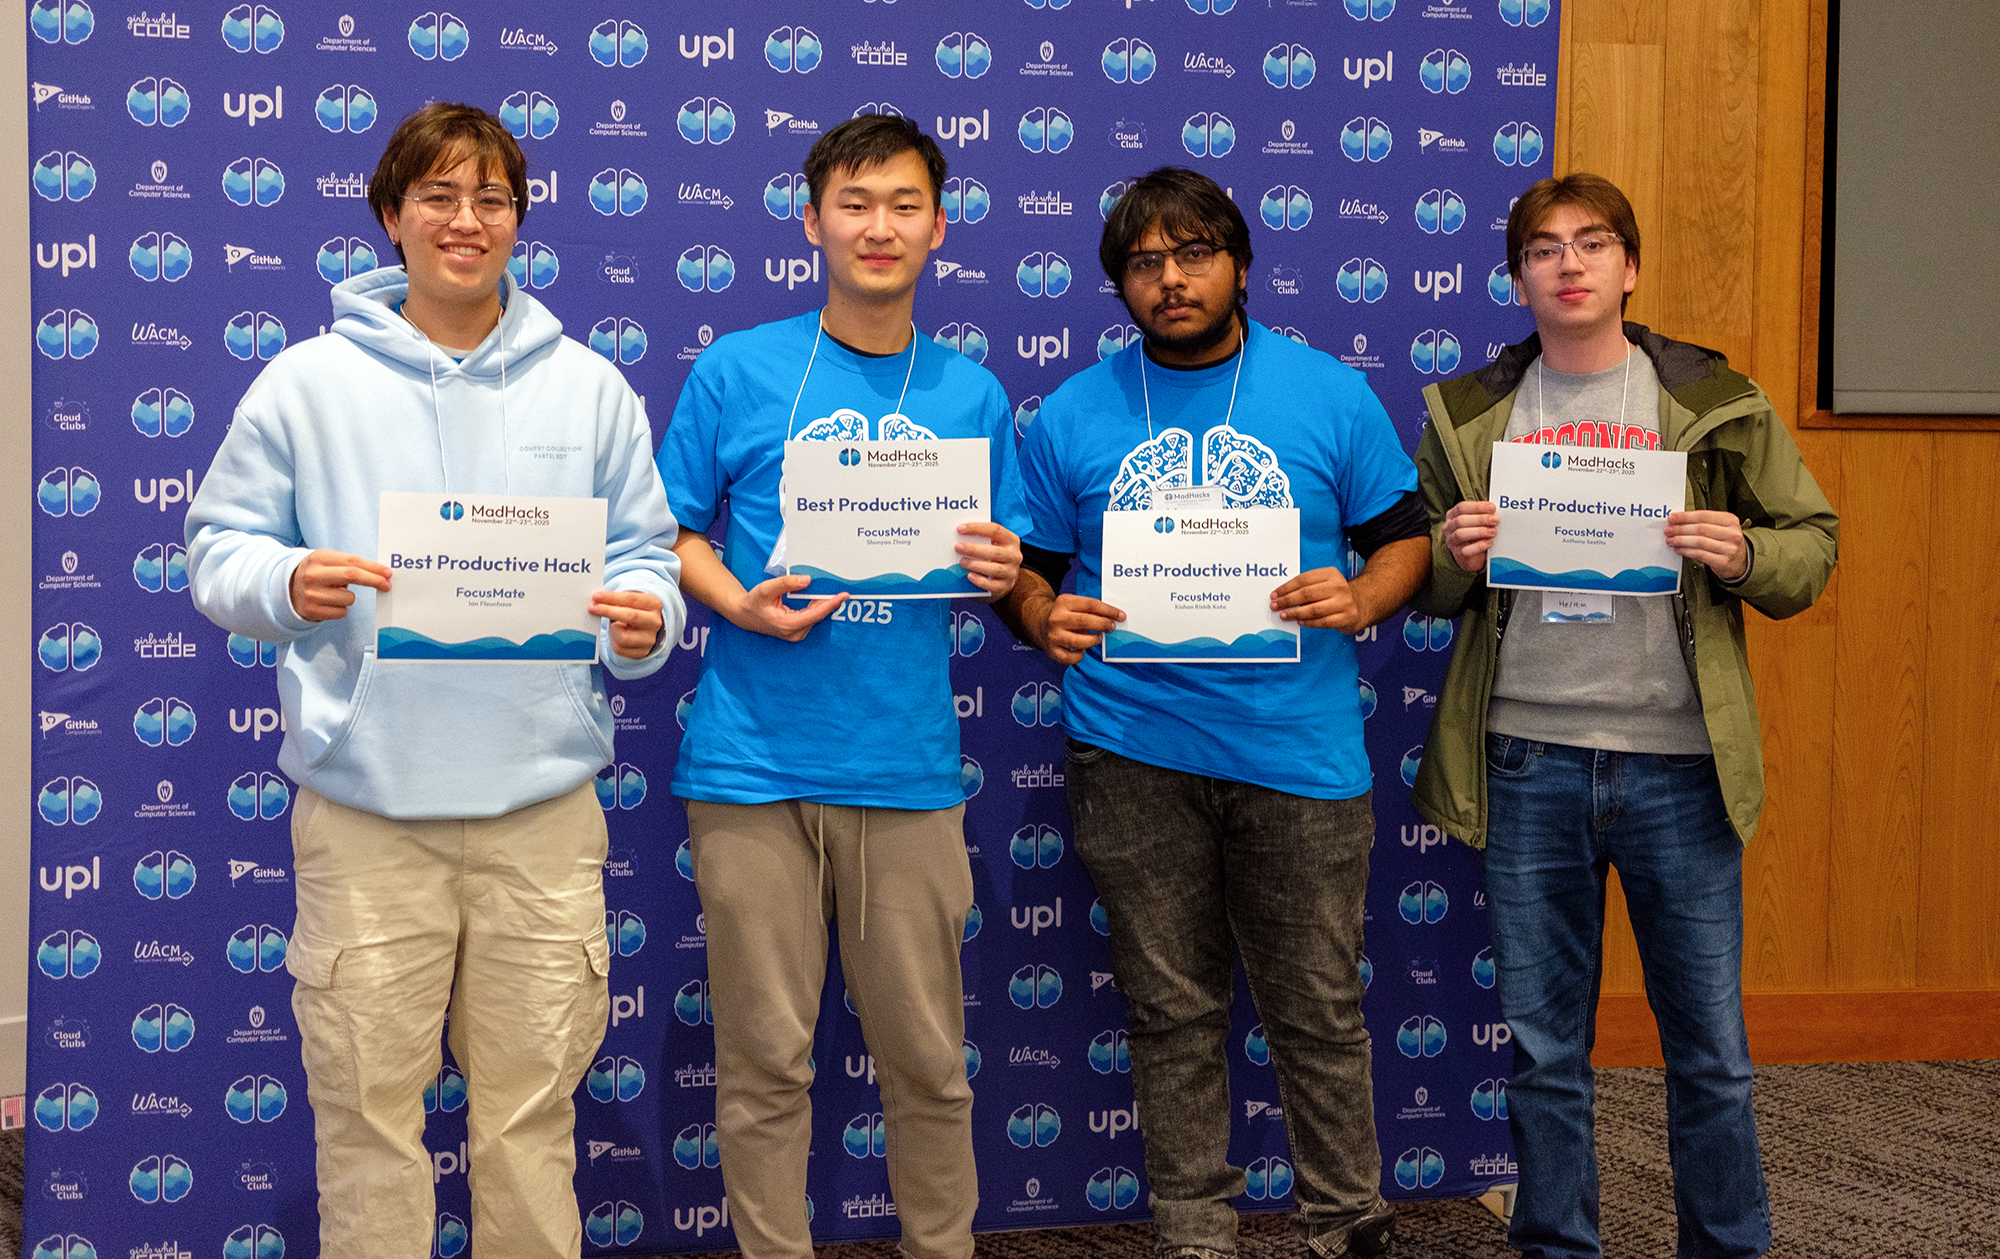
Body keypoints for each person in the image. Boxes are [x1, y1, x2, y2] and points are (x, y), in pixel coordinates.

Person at [184, 102, 684, 1259]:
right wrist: (287, 579)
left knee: (528, 1117)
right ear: (391, 216)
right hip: (369, 817)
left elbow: (643, 557)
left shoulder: (588, 387)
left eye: (491, 199)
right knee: (367, 1120)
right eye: (439, 197)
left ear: (518, 220)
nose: (467, 221)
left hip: (540, 816)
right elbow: (217, 551)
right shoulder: (304, 384)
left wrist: (642, 615)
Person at [995, 166, 1429, 1259]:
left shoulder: (1328, 393)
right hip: (1130, 750)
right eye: (1145, 263)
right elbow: (1024, 568)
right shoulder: (1074, 412)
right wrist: (1041, 613)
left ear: (1239, 263)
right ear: (1119, 285)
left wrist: (1362, 597)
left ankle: (1346, 1221)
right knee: (1170, 1008)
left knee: (1316, 1008)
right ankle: (1195, 1232)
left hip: (1297, 752)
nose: (1171, 279)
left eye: (1193, 254)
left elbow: (1404, 538)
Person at [1408, 173, 1837, 1259]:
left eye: (1592, 242)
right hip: (1525, 760)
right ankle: (1557, 1245)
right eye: (1543, 248)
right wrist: (1452, 554)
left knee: (1710, 1053)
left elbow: (1811, 546)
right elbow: (1430, 587)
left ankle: (1726, 1246)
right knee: (1544, 1053)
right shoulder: (1470, 415)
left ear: (1629, 267)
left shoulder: (1711, 400)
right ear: (1517, 279)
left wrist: (1745, 552)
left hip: (1676, 766)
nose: (1569, 263)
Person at [653, 114, 1027, 1259]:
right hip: (751, 765)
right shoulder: (736, 368)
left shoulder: (972, 394)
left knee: (929, 1064)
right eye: (854, 204)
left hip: (904, 768)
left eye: (904, 204)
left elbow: (1002, 558)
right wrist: (736, 601)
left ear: (938, 227)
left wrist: (1003, 569)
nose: (878, 226)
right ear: (809, 220)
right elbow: (669, 532)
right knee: (764, 1063)